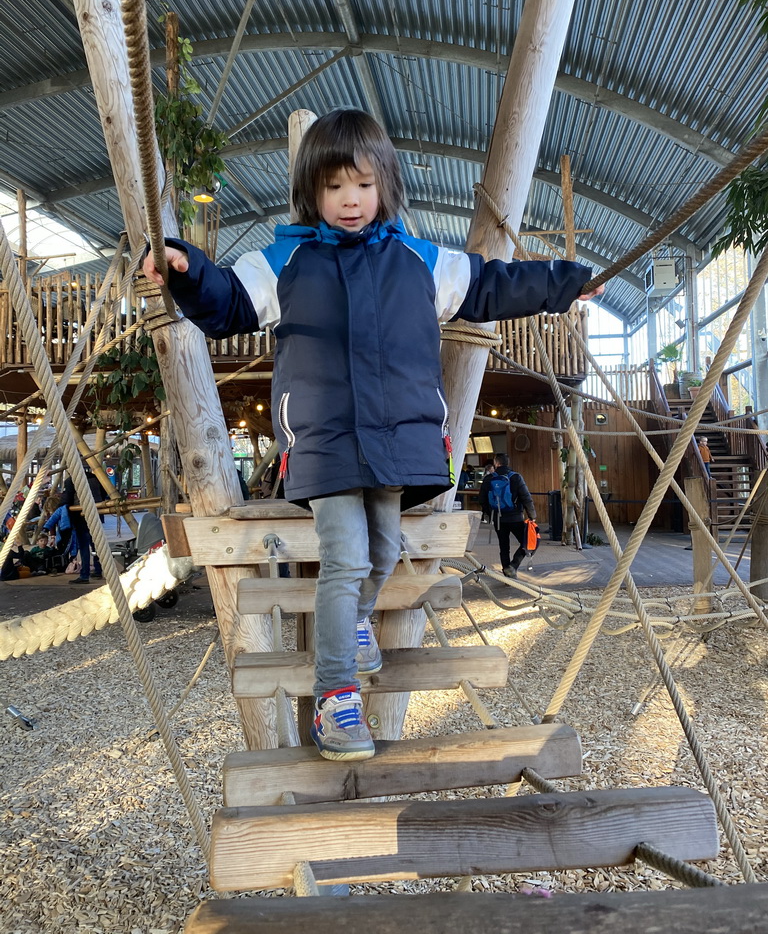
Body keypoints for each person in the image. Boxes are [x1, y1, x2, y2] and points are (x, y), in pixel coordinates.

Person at [143, 108, 603, 761]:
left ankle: (356, 619)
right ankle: (337, 700)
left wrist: (569, 282)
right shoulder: (288, 260)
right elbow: (227, 301)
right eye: (334, 187)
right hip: (325, 438)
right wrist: (186, 266)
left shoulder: (418, 260)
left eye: (361, 184)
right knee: (348, 555)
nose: (349, 200)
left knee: (382, 550)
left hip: (396, 439)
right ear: (313, 192)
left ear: (384, 183)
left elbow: (495, 285)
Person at [480, 453, 537, 578]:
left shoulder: (488, 479)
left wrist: (490, 515)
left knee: (504, 547)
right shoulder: (516, 477)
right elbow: (526, 498)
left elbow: (483, 500)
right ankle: (513, 566)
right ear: (507, 463)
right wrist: (532, 515)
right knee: (528, 542)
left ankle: (508, 575)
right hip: (516, 517)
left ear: (496, 463)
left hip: (499, 519)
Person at [61, 463, 105, 585]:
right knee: (96, 544)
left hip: (80, 515)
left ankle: (84, 574)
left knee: (84, 545)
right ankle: (98, 569)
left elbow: (67, 500)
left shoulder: (71, 481)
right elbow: (103, 494)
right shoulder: (95, 477)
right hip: (97, 513)